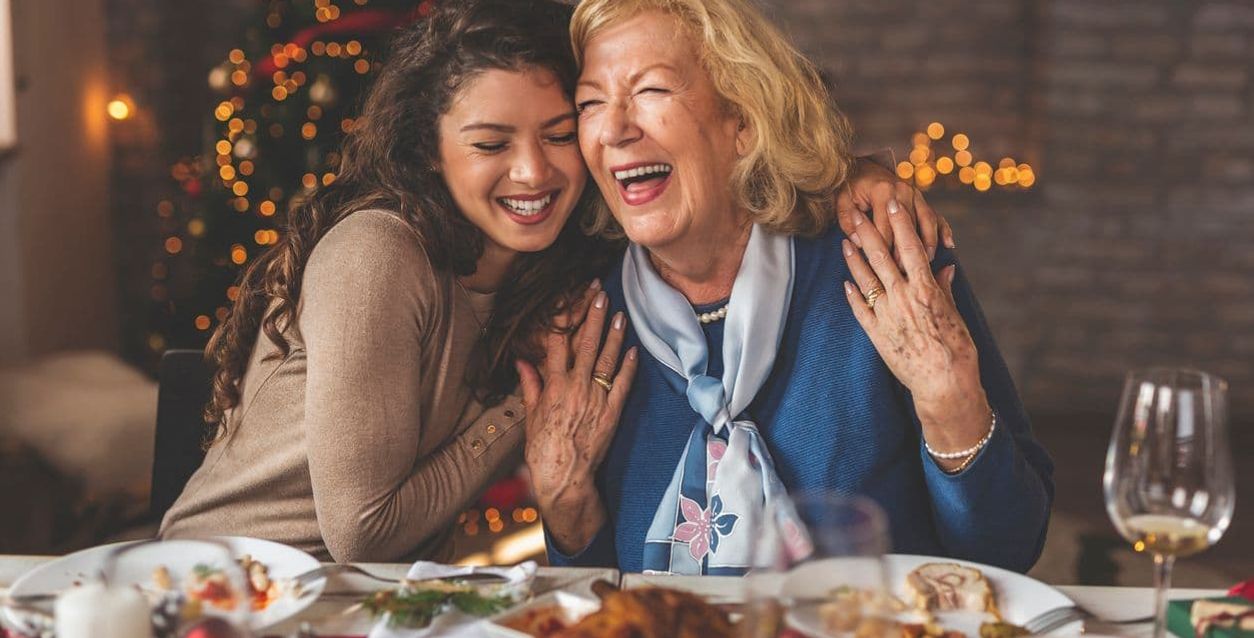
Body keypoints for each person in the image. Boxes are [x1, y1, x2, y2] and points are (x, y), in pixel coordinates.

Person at [160, 0, 936, 562]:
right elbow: (361, 531)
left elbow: (741, 152)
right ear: (431, 154)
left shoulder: (564, 261)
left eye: (563, 132)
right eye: (490, 143)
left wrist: (854, 178)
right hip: (228, 585)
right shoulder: (379, 252)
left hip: (362, 597)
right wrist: (517, 410)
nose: (534, 171)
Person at [523, 0, 1054, 575]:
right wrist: (567, 509)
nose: (615, 129)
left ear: (744, 124)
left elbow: (1008, 551)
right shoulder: (585, 319)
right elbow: (590, 601)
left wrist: (952, 404)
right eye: (590, 103)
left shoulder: (878, 261)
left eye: (651, 90)